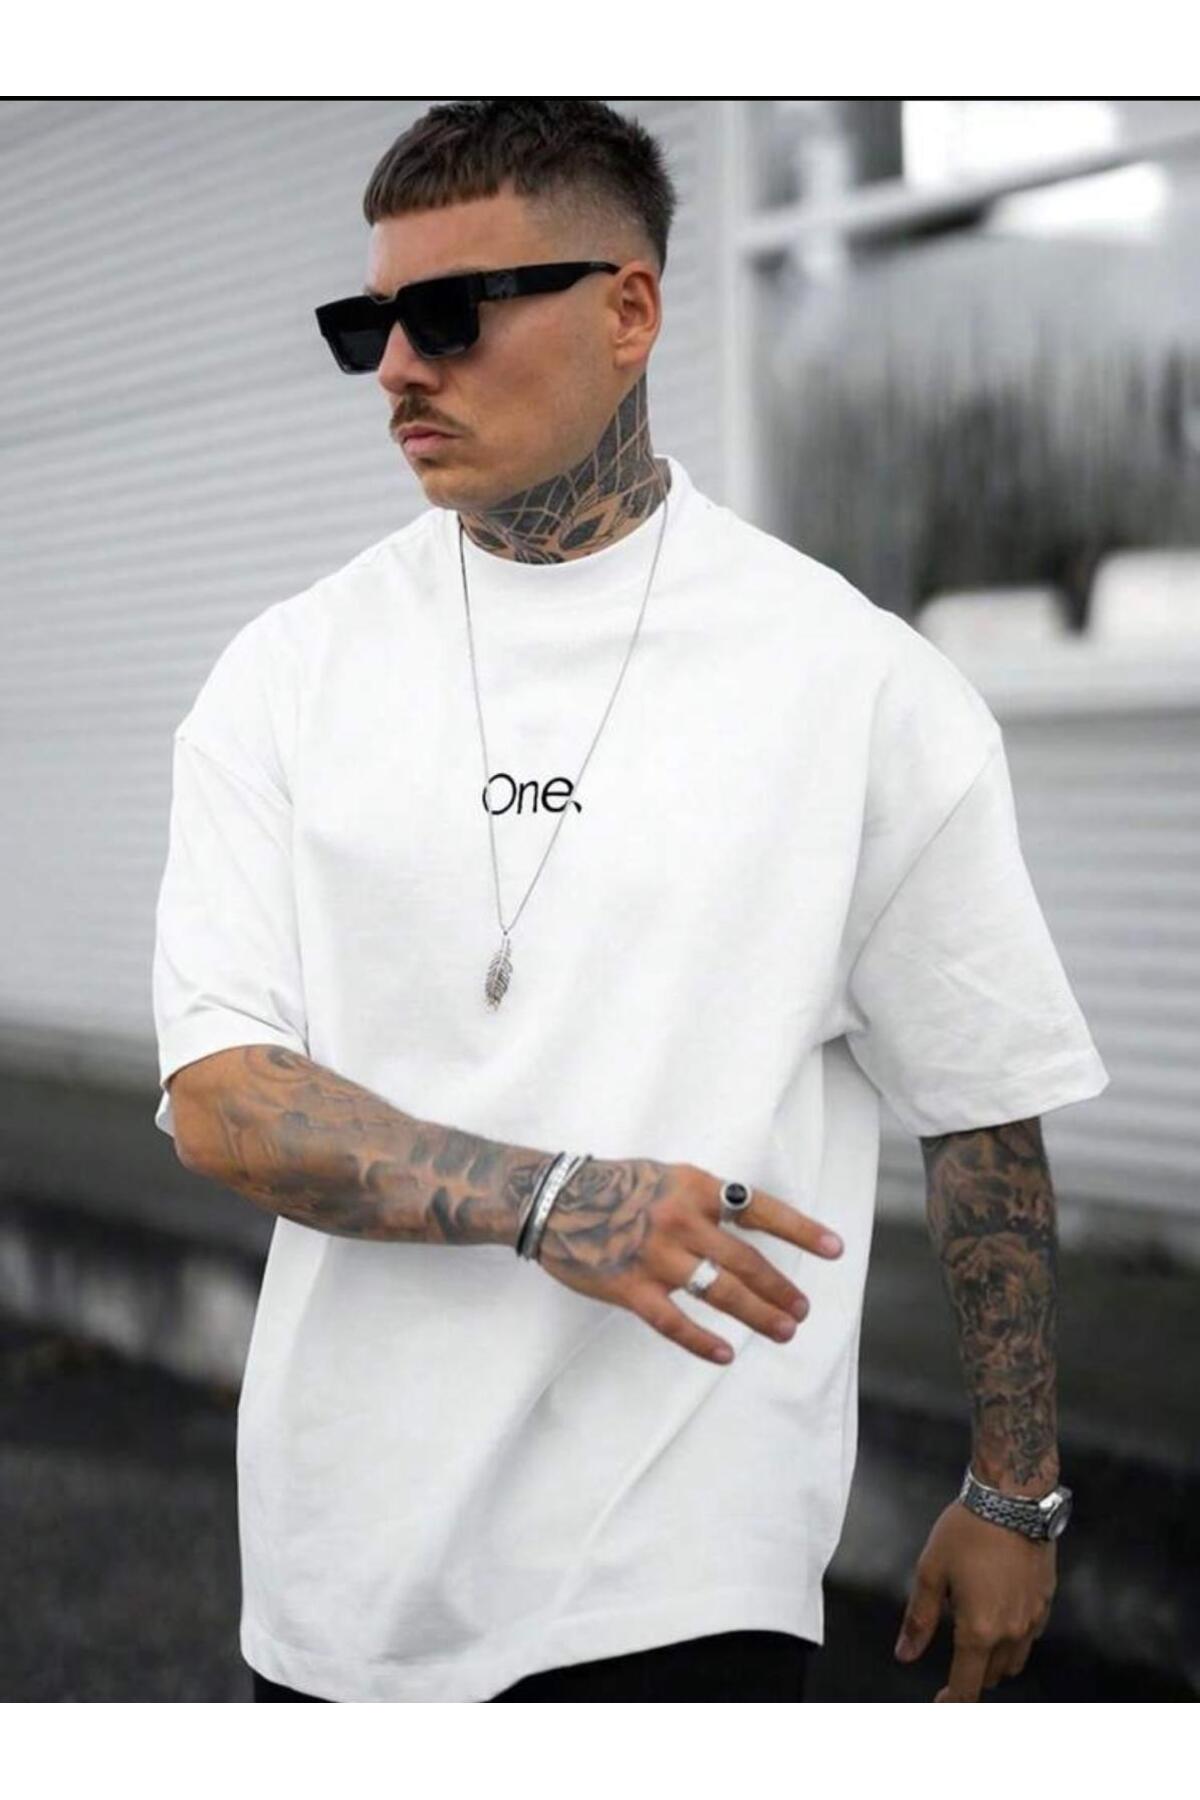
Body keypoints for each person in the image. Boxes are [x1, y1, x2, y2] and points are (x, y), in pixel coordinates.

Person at [151, 100, 1108, 1705]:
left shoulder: (855, 683)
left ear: (631, 310)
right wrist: (547, 1199)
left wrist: (1014, 1487)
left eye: (450, 315)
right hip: (351, 1567)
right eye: (370, 325)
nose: (398, 370)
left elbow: (982, 1107)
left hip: (689, 1561)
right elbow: (218, 1097)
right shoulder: (286, 678)